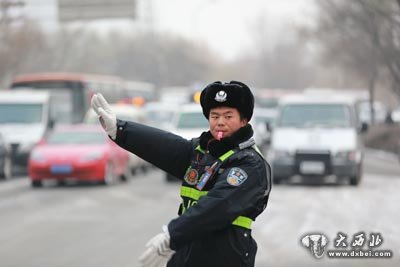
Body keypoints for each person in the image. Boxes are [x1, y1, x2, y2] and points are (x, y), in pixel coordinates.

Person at [91, 81, 272, 267]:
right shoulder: (202, 152)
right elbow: (163, 146)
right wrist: (119, 130)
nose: (220, 122)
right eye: (214, 116)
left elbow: (218, 205)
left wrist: (172, 235)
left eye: (228, 116)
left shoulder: (249, 163)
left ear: (244, 120)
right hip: (188, 254)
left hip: (224, 257)